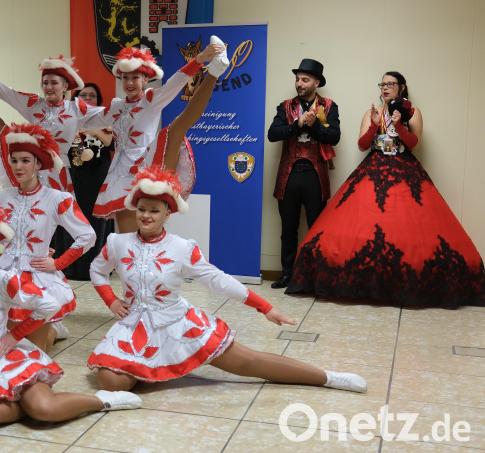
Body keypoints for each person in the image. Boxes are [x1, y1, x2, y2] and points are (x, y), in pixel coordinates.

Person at [88, 166, 367, 393]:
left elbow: (218, 280)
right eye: (142, 209)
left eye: (154, 210)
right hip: (133, 327)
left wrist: (266, 308)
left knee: (250, 362)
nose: (146, 215)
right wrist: (111, 300)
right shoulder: (117, 242)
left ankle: (328, 377)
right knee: (110, 382)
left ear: (167, 214)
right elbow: (97, 270)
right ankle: (154, 365)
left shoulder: (182, 248)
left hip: (177, 324)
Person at [0, 195, 141, 423]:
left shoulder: (2, 279)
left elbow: (48, 305)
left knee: (45, 410)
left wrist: (15, 335)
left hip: (4, 353)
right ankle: (25, 402)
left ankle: (102, 401)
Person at [286, 72, 485, 307]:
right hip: (374, 166)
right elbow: (362, 145)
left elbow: (413, 144)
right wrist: (372, 125)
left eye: (391, 84)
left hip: (404, 168)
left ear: (401, 87)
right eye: (383, 84)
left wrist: (400, 125)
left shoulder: (413, 111)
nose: (386, 88)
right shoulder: (372, 112)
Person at [0, 64, 97, 351]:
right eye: (13, 161)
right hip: (4, 271)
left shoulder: (58, 195)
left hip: (40, 266)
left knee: (32, 349)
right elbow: (0, 93)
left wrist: (57, 263)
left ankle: (51, 326)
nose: (17, 166)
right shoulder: (1, 198)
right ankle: (44, 325)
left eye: (24, 161)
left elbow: (87, 236)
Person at [91, 40, 222, 233]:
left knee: (178, 127)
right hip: (119, 176)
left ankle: (214, 73)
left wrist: (200, 59)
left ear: (145, 79)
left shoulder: (150, 99)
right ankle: (215, 72)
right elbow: (87, 118)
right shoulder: (116, 106)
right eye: (125, 78)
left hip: (148, 165)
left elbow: (175, 82)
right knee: (129, 238)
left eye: (135, 77)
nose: (129, 83)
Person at [0, 45, 104, 193]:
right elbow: (2, 90)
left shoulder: (77, 109)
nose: (48, 87)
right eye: (45, 82)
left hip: (57, 175)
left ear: (65, 87)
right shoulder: (34, 104)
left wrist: (128, 103)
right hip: (29, 170)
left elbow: (109, 114)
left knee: (54, 217)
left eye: (54, 83)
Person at [267, 58, 340, 289]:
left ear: (316, 82)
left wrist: (314, 125)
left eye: (305, 79)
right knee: (288, 228)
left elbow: (334, 137)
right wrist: (298, 124)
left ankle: (314, 277)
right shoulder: (285, 106)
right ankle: (288, 274)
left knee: (316, 227)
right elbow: (273, 134)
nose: (299, 83)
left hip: (315, 174)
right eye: (297, 79)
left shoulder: (329, 106)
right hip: (289, 174)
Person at [61, 83, 115, 281]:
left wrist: (88, 130)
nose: (88, 98)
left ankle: (94, 267)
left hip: (98, 174)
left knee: (96, 217)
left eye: (92, 95)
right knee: (74, 216)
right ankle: (72, 267)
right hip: (75, 173)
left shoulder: (104, 116)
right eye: (84, 95)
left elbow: (108, 141)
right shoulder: (70, 118)